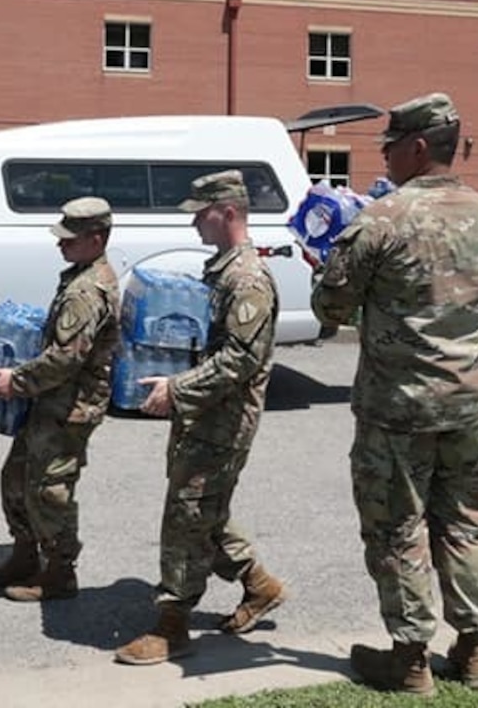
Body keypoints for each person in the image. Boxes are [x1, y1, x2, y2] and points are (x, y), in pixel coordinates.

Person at [311, 92, 478, 696]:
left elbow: (330, 307)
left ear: (418, 148)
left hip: (398, 407)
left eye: (392, 147)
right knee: (464, 522)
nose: (387, 157)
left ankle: (411, 658)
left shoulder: (382, 218)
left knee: (398, 526)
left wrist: (325, 267)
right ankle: (476, 650)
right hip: (468, 403)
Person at [114, 169, 287, 666]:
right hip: (205, 414)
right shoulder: (224, 270)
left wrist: (177, 388)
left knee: (187, 513)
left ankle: (173, 624)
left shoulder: (247, 279)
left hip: (223, 419)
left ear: (227, 212)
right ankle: (259, 584)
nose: (193, 224)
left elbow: (240, 360)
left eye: (200, 214)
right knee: (203, 508)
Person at [0, 197, 121, 603]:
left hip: (69, 405)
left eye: (70, 239)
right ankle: (24, 555)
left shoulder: (86, 290)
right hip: (53, 400)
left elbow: (66, 357)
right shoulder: (80, 276)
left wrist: (16, 380)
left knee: (50, 488)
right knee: (17, 478)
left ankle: (58, 571)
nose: (61, 245)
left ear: (97, 238)